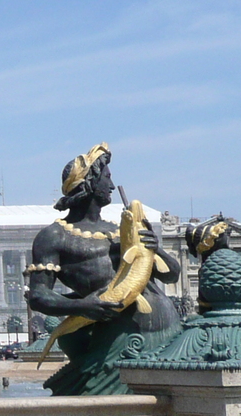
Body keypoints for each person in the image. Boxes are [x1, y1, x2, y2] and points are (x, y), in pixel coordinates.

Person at [24, 144, 179, 396]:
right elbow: (38, 295)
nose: (111, 185)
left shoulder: (122, 229)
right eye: (106, 178)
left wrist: (156, 248)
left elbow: (171, 275)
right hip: (118, 339)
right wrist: (82, 306)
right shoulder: (53, 236)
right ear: (88, 183)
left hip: (168, 329)